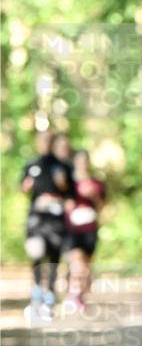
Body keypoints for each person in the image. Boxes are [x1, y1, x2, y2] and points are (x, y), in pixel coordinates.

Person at [21, 129, 74, 322]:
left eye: (48, 140)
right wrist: (27, 185)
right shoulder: (31, 165)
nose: (44, 144)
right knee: (36, 253)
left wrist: (61, 189)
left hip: (56, 221)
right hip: (37, 219)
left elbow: (71, 194)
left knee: (53, 257)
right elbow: (23, 188)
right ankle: (36, 294)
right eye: (41, 140)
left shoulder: (62, 166)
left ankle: (49, 299)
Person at [62, 149, 106, 313]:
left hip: (90, 228)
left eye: (85, 160)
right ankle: (73, 294)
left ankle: (80, 295)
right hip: (73, 228)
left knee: (86, 265)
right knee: (76, 262)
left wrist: (93, 195)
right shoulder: (69, 182)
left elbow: (102, 206)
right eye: (80, 160)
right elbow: (63, 201)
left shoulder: (96, 182)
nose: (83, 164)